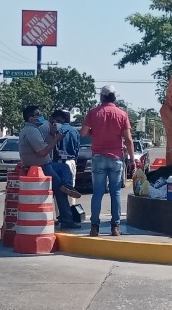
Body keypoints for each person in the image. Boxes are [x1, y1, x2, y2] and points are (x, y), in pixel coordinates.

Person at [81, 85, 134, 237]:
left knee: (97, 192)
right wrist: (131, 159)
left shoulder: (93, 113)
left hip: (98, 157)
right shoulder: (122, 114)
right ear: (114, 97)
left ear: (102, 97)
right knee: (115, 192)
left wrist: (94, 131)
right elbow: (128, 139)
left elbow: (83, 133)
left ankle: (94, 227)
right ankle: (115, 227)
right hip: (116, 157)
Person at [19, 105, 79, 206]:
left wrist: (52, 135)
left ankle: (67, 186)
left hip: (45, 163)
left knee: (64, 168)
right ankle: (66, 217)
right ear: (31, 118)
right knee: (60, 190)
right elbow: (42, 152)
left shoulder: (35, 130)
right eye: (38, 114)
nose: (41, 116)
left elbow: (46, 145)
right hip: (40, 166)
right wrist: (56, 139)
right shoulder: (31, 131)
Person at [47, 109, 83, 229]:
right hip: (71, 162)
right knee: (69, 190)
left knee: (58, 190)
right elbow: (77, 149)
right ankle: (70, 216)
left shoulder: (58, 130)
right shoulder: (75, 131)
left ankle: (60, 217)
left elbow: (53, 146)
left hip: (58, 162)